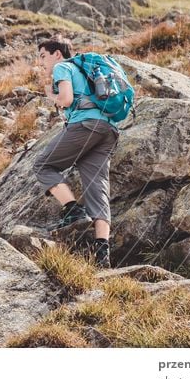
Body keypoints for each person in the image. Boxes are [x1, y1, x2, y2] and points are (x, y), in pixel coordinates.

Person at [32, 36, 121, 268]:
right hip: (108, 130)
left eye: (43, 56)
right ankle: (102, 254)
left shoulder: (63, 67)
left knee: (43, 165)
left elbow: (66, 98)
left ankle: (73, 210)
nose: (41, 62)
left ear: (57, 54)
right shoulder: (84, 70)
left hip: (85, 125)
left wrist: (51, 96)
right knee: (97, 188)